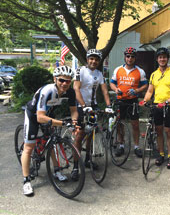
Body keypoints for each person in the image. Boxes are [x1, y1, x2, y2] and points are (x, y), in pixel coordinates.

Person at [22, 65, 78, 196]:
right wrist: (64, 123)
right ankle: (26, 180)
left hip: (49, 114)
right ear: (55, 79)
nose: (64, 83)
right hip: (34, 115)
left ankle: (57, 170)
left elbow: (74, 111)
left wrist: (74, 123)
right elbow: (40, 117)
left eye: (68, 81)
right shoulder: (48, 91)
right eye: (61, 80)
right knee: (29, 148)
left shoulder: (70, 92)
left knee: (52, 142)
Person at [140, 47, 170, 169]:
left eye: (164, 57)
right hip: (157, 106)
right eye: (160, 57)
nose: (162, 59)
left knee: (168, 131)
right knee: (158, 131)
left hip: (169, 106)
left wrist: (168, 102)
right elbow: (149, 90)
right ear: (157, 59)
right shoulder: (154, 74)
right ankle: (161, 154)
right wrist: (145, 100)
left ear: (167, 59)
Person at [73, 49, 111, 177]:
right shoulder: (80, 71)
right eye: (91, 59)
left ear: (99, 61)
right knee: (80, 135)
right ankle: (75, 166)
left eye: (96, 59)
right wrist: (83, 106)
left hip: (92, 106)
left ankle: (88, 160)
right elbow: (76, 89)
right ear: (87, 59)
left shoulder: (100, 74)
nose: (93, 61)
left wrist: (109, 106)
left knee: (91, 134)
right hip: (80, 105)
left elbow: (105, 91)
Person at [110, 47, 148, 158]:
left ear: (135, 58)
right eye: (128, 56)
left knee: (135, 124)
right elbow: (112, 83)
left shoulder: (140, 71)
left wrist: (137, 90)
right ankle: (121, 145)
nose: (129, 58)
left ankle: (136, 146)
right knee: (119, 124)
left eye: (132, 56)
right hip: (120, 100)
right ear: (124, 57)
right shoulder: (118, 70)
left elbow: (145, 85)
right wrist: (116, 89)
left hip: (133, 101)